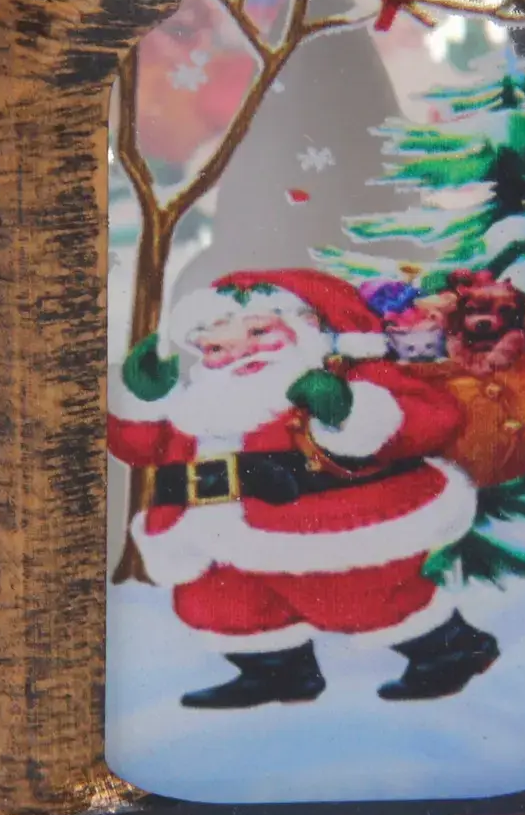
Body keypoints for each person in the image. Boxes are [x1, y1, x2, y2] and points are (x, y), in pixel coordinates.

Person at [109, 269, 494, 708]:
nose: (241, 352)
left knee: (360, 598)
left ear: (305, 326)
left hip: (320, 524)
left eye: (258, 332)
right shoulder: (200, 403)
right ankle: (277, 673)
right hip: (210, 529)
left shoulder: (344, 376)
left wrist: (349, 411)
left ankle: (452, 651)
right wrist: (148, 399)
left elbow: (433, 419)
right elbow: (142, 449)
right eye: (217, 348)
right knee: (222, 604)